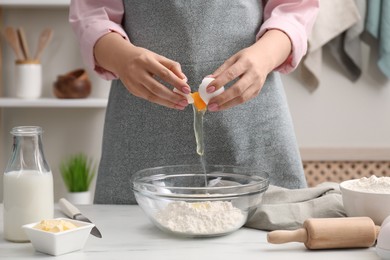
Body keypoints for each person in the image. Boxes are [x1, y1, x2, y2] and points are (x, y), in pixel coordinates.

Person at [69, 0, 319, 204]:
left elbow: (294, 7)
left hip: (251, 121)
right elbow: (92, 14)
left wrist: (266, 55)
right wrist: (121, 58)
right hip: (142, 122)